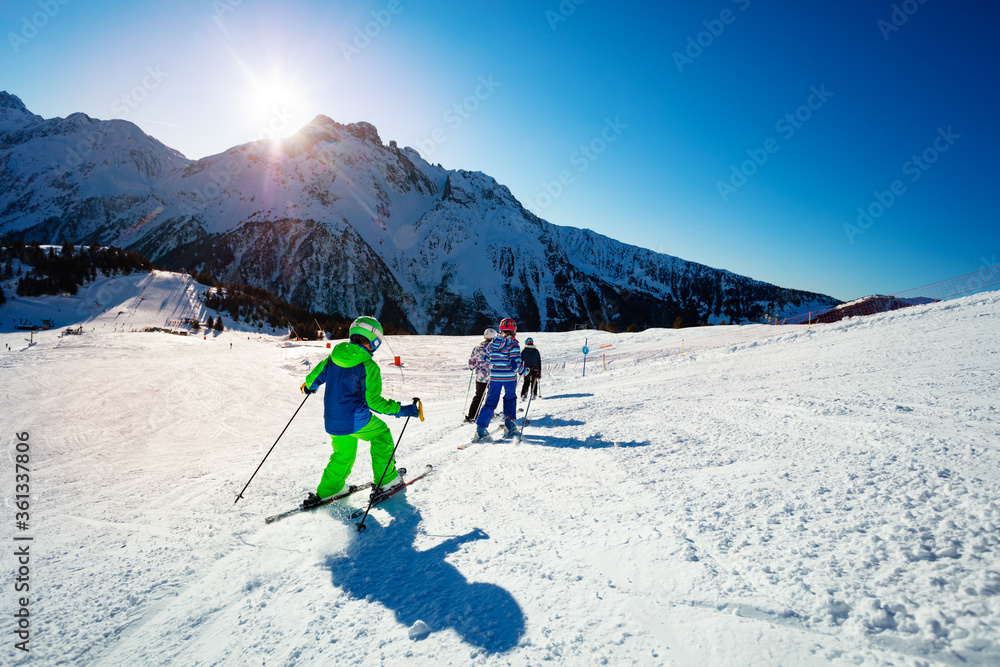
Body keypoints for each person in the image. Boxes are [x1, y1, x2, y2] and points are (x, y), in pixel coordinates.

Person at [299, 315, 420, 507]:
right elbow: (374, 402)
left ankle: (331, 489)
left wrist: (308, 387)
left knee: (343, 453)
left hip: (332, 420)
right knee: (381, 434)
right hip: (355, 419)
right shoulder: (368, 365)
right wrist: (402, 410)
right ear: (374, 340)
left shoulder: (334, 357)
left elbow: (315, 377)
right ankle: (386, 480)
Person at [474, 318, 529, 440]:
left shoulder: (492, 343)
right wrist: (525, 371)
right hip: (509, 378)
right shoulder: (513, 344)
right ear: (514, 330)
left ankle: (481, 429)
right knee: (509, 399)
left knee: (490, 402)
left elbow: (488, 359)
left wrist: (497, 363)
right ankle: (508, 425)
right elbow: (515, 365)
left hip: (494, 378)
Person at [465, 328, 497, 423]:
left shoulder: (477, 348)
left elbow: (472, 362)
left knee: (478, 396)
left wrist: (472, 367)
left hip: (480, 376)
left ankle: (472, 415)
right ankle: (488, 415)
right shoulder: (495, 348)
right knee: (490, 397)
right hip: (492, 376)